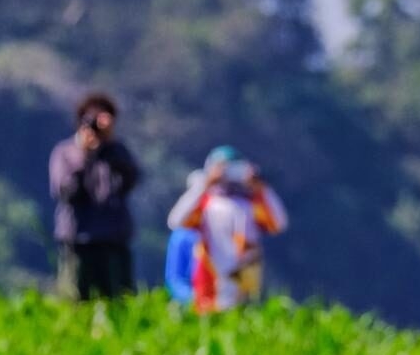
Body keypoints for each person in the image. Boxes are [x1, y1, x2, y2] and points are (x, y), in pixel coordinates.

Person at [167, 146, 288, 313]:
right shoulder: (206, 204)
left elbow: (279, 223)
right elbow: (176, 220)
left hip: (245, 290)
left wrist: (261, 187)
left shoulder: (251, 205)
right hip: (210, 290)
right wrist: (205, 183)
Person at [49, 92, 141, 301]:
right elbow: (65, 191)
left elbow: (131, 181)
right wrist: (84, 156)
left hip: (114, 240)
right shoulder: (65, 152)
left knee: (120, 300)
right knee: (75, 300)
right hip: (79, 241)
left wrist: (111, 146)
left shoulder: (117, 152)